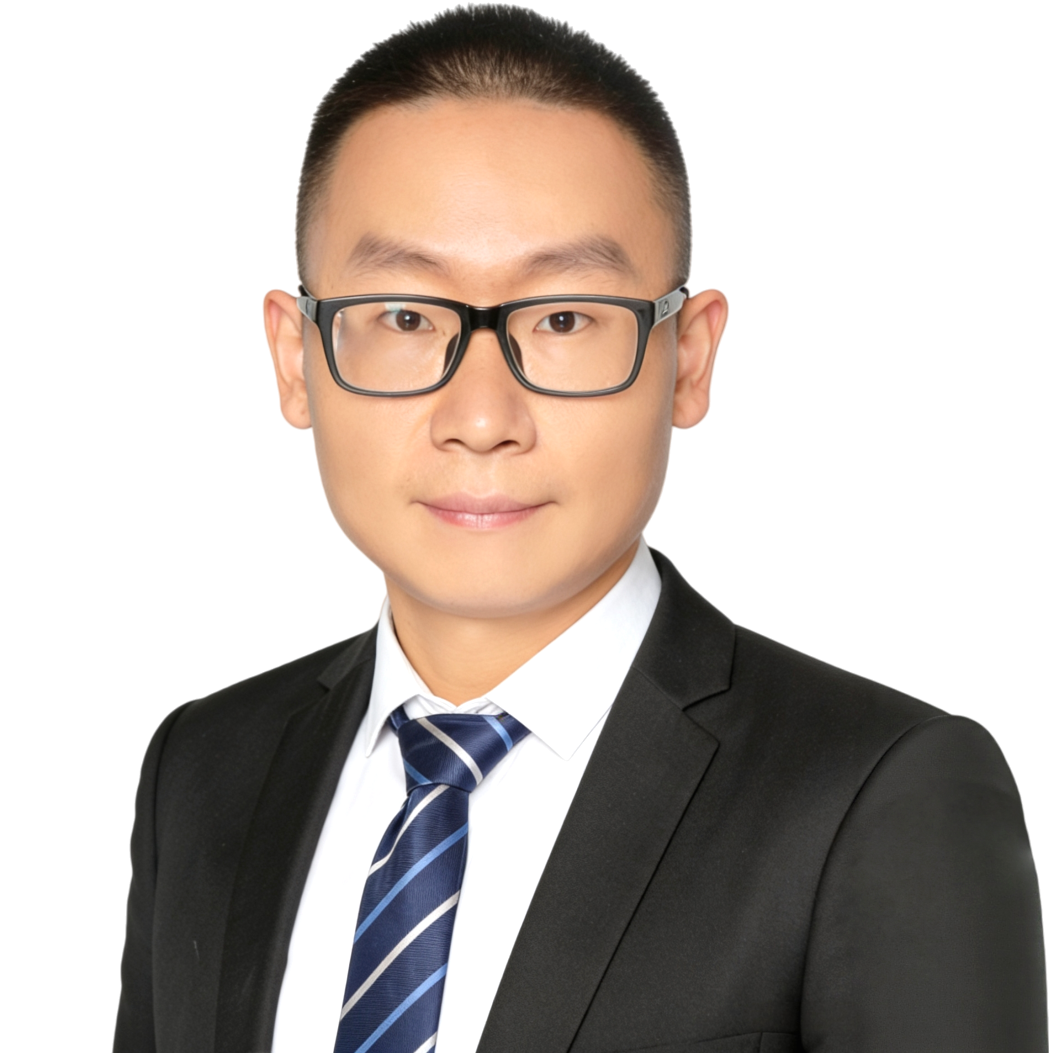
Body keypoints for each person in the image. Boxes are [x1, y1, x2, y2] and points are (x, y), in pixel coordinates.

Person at [114, 5, 1046, 1052]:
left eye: (562, 319)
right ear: (295, 360)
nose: (480, 420)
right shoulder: (203, 768)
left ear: (688, 359)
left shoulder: (880, 793)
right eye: (405, 317)